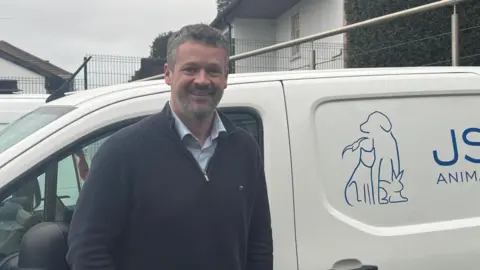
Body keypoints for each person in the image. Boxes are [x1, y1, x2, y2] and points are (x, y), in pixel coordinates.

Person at [66, 23, 273, 270]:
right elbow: (87, 252)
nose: (202, 80)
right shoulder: (122, 153)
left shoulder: (244, 150)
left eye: (213, 71)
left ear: (226, 78)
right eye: (191, 69)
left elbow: (259, 242)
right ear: (168, 74)